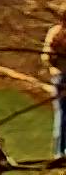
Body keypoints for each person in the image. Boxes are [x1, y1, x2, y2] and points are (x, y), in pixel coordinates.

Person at [43, 13, 66, 159]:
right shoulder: (58, 33)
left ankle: (59, 151)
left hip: (59, 76)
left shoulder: (55, 32)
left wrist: (55, 68)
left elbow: (46, 57)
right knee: (63, 114)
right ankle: (60, 150)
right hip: (62, 77)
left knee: (61, 114)